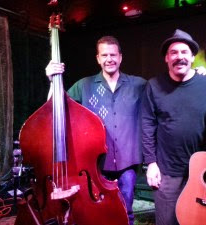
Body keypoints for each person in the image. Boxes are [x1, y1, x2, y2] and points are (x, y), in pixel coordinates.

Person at [45, 36, 146, 225]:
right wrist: (52, 80)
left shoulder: (138, 85)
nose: (109, 59)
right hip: (96, 163)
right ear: (98, 58)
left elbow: (163, 93)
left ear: (121, 57)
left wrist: (197, 74)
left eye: (113, 55)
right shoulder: (84, 85)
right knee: (98, 212)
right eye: (104, 55)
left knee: (126, 211)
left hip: (128, 162)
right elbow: (55, 107)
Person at [141, 29, 206, 225]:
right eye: (174, 52)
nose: (180, 57)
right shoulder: (154, 85)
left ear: (193, 56)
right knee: (167, 221)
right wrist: (151, 163)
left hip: (202, 171)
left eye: (184, 52)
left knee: (198, 221)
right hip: (167, 172)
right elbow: (146, 125)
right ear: (166, 58)